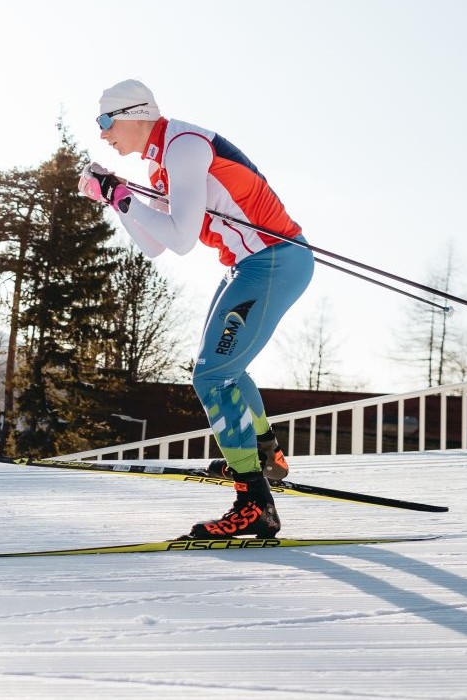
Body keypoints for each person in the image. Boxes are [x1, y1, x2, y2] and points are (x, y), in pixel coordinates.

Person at [79, 79, 313, 539]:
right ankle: (265, 455)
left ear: (135, 114)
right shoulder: (165, 162)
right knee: (226, 368)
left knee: (211, 374)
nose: (104, 133)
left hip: (271, 261)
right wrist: (115, 200)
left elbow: (182, 240)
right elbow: (154, 245)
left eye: (106, 121)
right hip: (248, 264)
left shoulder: (183, 147)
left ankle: (255, 504)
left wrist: (121, 197)